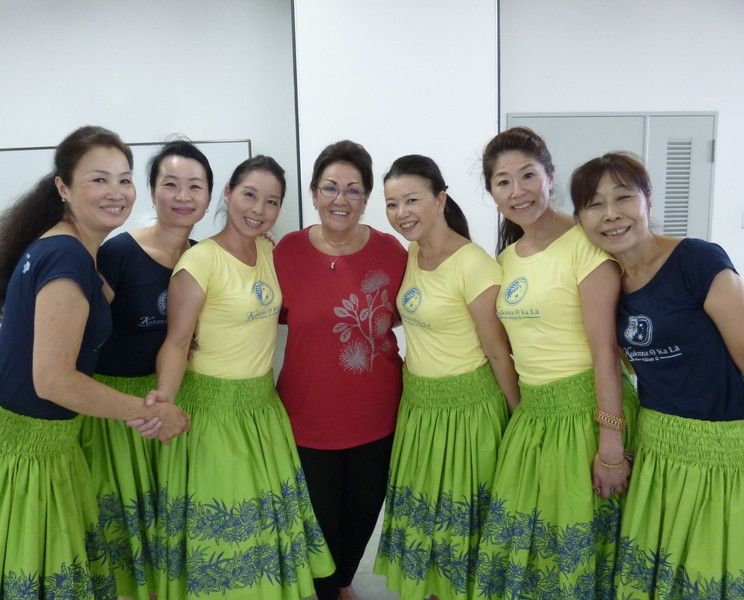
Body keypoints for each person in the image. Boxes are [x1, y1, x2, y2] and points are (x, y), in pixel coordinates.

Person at [0, 126, 190, 600]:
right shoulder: (66, 257)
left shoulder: (71, 251)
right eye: (99, 179)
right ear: (63, 186)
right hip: (16, 455)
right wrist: (153, 412)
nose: (117, 192)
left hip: (42, 448)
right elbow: (54, 380)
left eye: (124, 179)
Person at [152, 155, 334, 599]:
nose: (259, 209)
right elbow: (176, 343)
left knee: (263, 528)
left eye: (272, 202)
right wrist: (165, 402)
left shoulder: (271, 251)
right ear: (228, 194)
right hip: (211, 414)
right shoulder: (199, 262)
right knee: (225, 526)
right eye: (250, 195)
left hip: (262, 412)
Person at [570, 152, 744, 599]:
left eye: (623, 197)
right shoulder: (612, 282)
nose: (611, 214)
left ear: (648, 201)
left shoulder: (696, 259)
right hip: (659, 448)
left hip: (726, 451)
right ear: (580, 219)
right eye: (594, 204)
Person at [475, 127, 638, 600]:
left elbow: (605, 353)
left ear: (550, 176)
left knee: (583, 548)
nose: (517, 191)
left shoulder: (586, 246)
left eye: (528, 175)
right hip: (534, 420)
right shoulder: (507, 258)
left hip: (587, 416)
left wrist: (611, 445)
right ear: (492, 193)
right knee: (529, 552)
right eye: (503, 181)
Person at [374, 155, 520, 600]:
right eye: (392, 203)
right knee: (430, 525)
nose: (401, 213)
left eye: (412, 200)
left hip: (467, 413)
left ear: (440, 200)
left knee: (462, 522)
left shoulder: (473, 263)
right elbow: (415, 313)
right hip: (419, 410)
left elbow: (497, 351)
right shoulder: (413, 253)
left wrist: (517, 417)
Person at [79, 140, 213, 600]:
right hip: (120, 409)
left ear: (210, 196)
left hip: (176, 399)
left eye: (195, 186)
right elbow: (84, 331)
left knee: (168, 518)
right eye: (170, 184)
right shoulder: (118, 253)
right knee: (124, 522)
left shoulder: (205, 255)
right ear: (152, 192)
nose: (183, 196)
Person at [273, 140, 407, 600]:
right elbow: (251, 311)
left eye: (353, 190)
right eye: (330, 187)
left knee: (363, 515)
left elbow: (412, 312)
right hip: (306, 417)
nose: (340, 199)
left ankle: (343, 582)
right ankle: (331, 590)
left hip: (377, 414)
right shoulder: (285, 252)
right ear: (314, 194)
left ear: (366, 198)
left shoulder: (392, 252)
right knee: (319, 522)